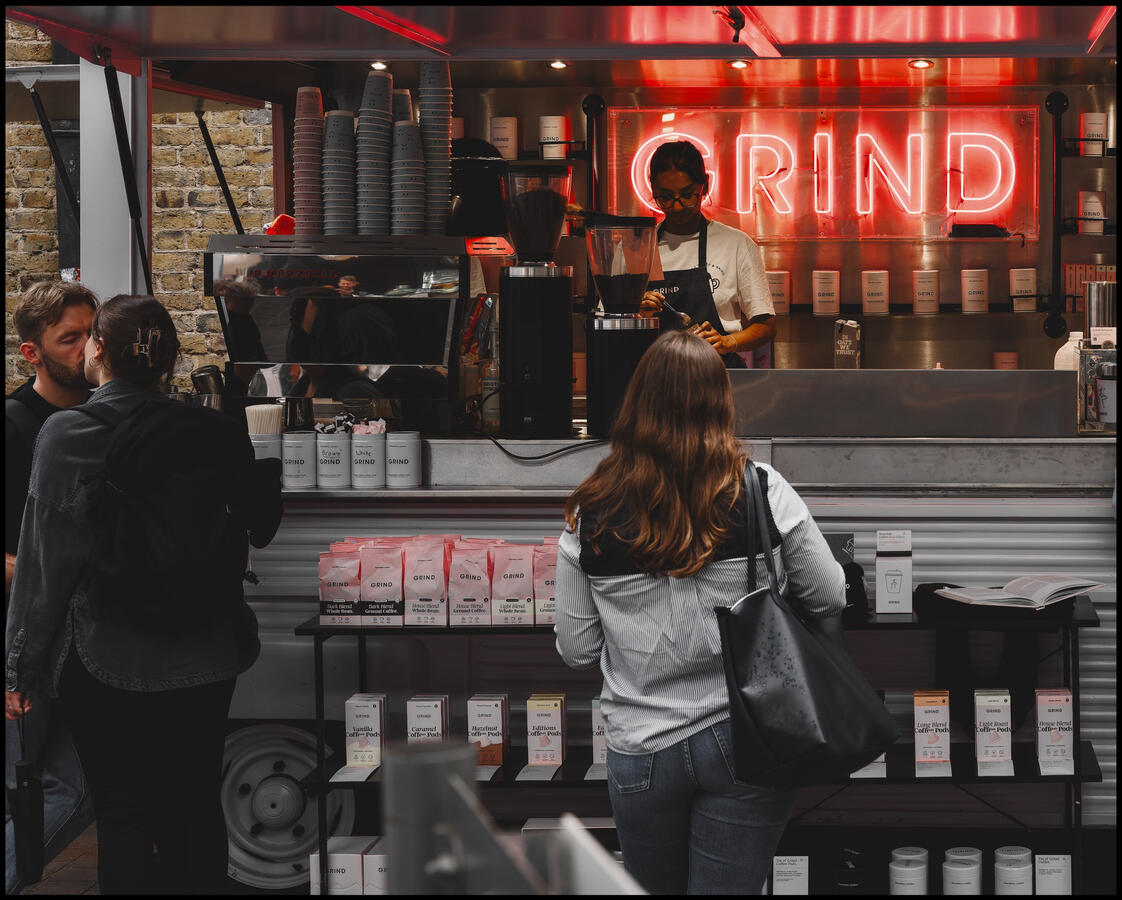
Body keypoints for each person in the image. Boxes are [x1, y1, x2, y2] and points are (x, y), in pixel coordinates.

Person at [4, 294, 283, 895]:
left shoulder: (68, 432)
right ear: (171, 361)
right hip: (210, 650)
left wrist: (21, 669)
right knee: (196, 807)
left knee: (124, 816)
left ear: (99, 351)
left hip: (109, 656)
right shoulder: (212, 428)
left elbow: (45, 565)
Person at [554, 330, 845, 895]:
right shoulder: (763, 491)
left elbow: (577, 649)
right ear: (722, 402)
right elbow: (828, 595)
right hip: (748, 737)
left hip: (641, 748)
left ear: (635, 404)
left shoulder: (590, 513)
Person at [4, 281, 98, 895]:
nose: (89, 349)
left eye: (95, 333)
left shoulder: (103, 419)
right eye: (71, 338)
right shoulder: (13, 427)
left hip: (83, 633)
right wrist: (43, 567)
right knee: (57, 782)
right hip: (21, 632)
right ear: (32, 352)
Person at [638, 140, 776, 369]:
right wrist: (634, 313)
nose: (678, 206)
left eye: (687, 194)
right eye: (665, 197)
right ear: (653, 190)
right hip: (657, 381)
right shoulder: (637, 249)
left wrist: (727, 341)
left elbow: (766, 326)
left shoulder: (735, 245)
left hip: (719, 379)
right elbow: (607, 321)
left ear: (705, 186)